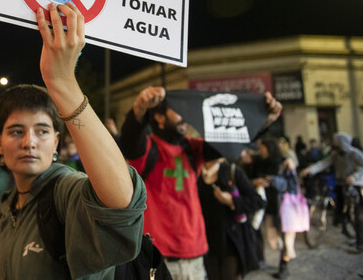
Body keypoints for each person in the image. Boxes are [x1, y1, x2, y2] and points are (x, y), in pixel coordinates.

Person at [0, 2, 146, 279]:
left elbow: (121, 203)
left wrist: (62, 82)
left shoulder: (64, 191)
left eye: (42, 131)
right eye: (16, 131)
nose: (29, 142)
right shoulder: (7, 206)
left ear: (56, 142)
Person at [119, 86, 282, 280]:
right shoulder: (147, 148)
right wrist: (139, 109)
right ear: (159, 117)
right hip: (160, 256)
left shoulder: (191, 147)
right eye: (178, 111)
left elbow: (229, 140)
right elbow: (130, 142)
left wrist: (263, 120)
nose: (185, 118)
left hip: (196, 253)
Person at [198, 145, 264, 280]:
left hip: (231, 241)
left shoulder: (231, 171)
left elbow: (258, 201)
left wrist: (232, 201)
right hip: (205, 241)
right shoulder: (195, 174)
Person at [301, 132, 363, 252]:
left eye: (335, 141)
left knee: (357, 214)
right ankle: (345, 226)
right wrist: (309, 170)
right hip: (341, 184)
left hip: (355, 185)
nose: (333, 143)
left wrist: (355, 177)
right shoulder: (335, 155)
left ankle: (360, 241)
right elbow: (323, 163)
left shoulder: (354, 154)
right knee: (342, 210)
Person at [249, 136, 297, 279]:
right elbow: (249, 179)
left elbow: (291, 185)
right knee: (271, 238)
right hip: (264, 205)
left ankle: (284, 265)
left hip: (281, 206)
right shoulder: (259, 163)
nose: (260, 150)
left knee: (285, 237)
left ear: (268, 148)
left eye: (262, 147)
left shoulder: (282, 163)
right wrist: (255, 182)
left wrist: (273, 180)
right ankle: (262, 260)